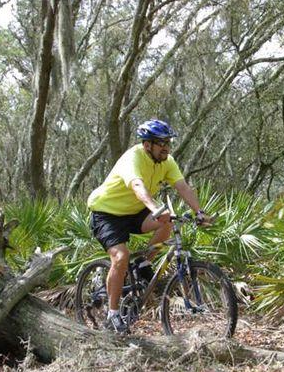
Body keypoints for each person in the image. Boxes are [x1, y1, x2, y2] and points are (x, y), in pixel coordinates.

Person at [87, 119, 209, 334]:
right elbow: (137, 186)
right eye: (160, 143)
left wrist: (199, 211)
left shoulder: (167, 162)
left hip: (134, 211)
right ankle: (113, 315)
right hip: (107, 213)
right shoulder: (132, 158)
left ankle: (143, 263)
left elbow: (182, 187)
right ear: (147, 145)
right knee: (121, 257)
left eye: (168, 142)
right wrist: (154, 207)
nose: (166, 147)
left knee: (168, 221)